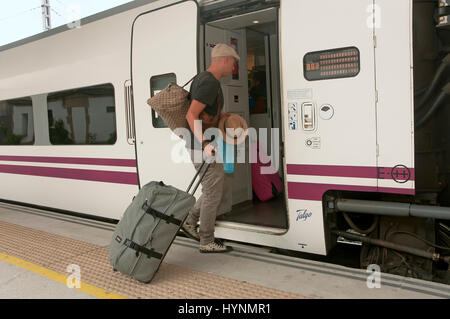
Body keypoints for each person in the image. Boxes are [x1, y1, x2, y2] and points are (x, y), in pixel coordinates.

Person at [181, 43, 240, 253]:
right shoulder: (210, 84)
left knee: (214, 187)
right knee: (213, 191)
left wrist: (220, 117)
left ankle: (190, 221)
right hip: (201, 146)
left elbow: (203, 112)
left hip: (201, 144)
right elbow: (191, 115)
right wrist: (205, 144)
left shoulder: (202, 78)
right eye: (233, 62)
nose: (233, 68)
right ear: (224, 59)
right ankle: (206, 240)